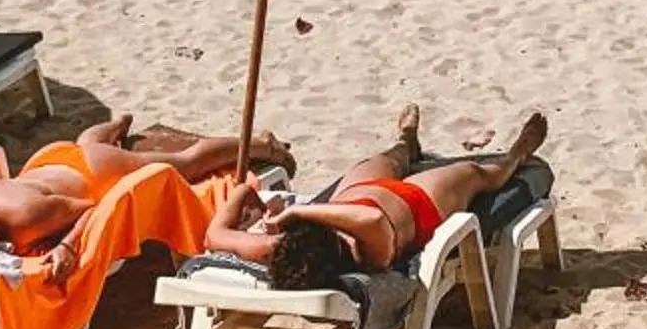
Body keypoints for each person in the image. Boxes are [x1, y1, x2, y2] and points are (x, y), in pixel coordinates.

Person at [207, 106, 548, 288]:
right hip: (418, 202)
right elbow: (369, 218)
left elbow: (214, 235)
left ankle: (406, 141)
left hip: (355, 192)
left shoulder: (273, 250)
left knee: (394, 157)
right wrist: (298, 213)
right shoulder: (371, 252)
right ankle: (517, 155)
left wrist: (247, 193)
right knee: (480, 174)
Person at [0, 115, 291, 269]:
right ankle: (112, 127)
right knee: (87, 144)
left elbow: (89, 207)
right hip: (48, 162)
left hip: (91, 173)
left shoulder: (24, 218)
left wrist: (68, 245)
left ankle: (262, 145)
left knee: (186, 163)